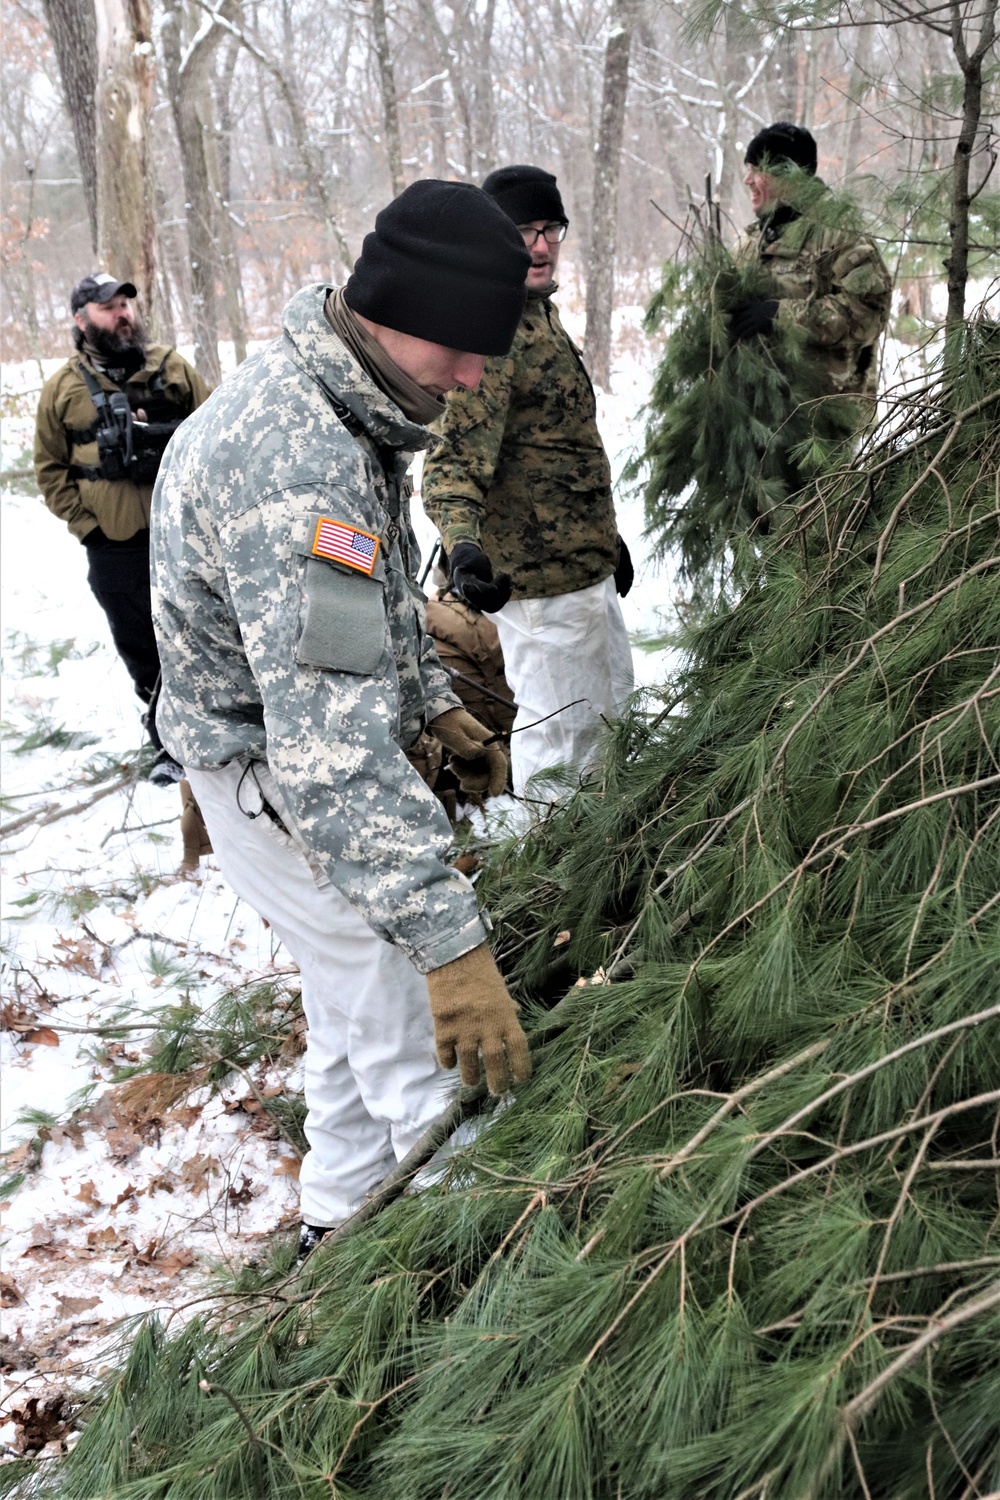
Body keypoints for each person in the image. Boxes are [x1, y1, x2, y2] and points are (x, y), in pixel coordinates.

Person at [149, 181, 534, 1261]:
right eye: (460, 348)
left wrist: (435, 705)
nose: (470, 376)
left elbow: (357, 620)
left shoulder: (334, 400)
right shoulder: (299, 471)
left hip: (262, 770)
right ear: (394, 307)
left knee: (346, 1011)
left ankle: (338, 1215)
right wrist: (447, 944)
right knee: (416, 1039)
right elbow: (332, 751)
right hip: (289, 788)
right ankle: (465, 1279)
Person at [420, 165, 634, 805]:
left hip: (582, 574)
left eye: (551, 229)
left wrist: (605, 541)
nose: (540, 246)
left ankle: (606, 864)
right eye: (522, 231)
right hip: (539, 588)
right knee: (562, 747)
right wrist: (462, 546)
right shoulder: (495, 330)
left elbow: (557, 451)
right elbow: (452, 457)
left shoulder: (537, 317)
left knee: (609, 728)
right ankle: (556, 878)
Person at [34, 274, 212, 869]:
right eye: (109, 308)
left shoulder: (173, 368)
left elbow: (216, 434)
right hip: (113, 543)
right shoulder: (62, 388)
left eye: (127, 304)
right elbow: (50, 469)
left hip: (182, 535)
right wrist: (87, 527)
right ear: (82, 317)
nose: (123, 314)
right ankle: (167, 742)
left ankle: (215, 732)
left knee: (200, 634)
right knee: (141, 644)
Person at [730, 123, 892, 408]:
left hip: (823, 418)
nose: (747, 180)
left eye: (757, 170)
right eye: (748, 169)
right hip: (759, 416)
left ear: (787, 175)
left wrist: (781, 315)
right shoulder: (751, 240)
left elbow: (868, 313)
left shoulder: (841, 234)